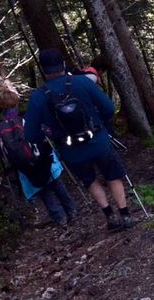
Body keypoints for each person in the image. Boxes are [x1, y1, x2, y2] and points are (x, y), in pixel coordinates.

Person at [25, 47, 134, 231]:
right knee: (113, 176)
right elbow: (108, 108)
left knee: (90, 180)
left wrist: (48, 133)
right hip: (98, 141)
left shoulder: (38, 96)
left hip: (71, 151)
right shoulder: (82, 82)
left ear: (43, 70)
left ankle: (110, 216)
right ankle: (125, 215)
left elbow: (30, 135)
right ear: (63, 64)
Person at [0, 90, 77, 228]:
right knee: (56, 184)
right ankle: (72, 211)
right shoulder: (25, 118)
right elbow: (45, 132)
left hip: (24, 167)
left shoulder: (0, 127)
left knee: (44, 192)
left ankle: (60, 219)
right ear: (16, 101)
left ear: (1, 105)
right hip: (41, 157)